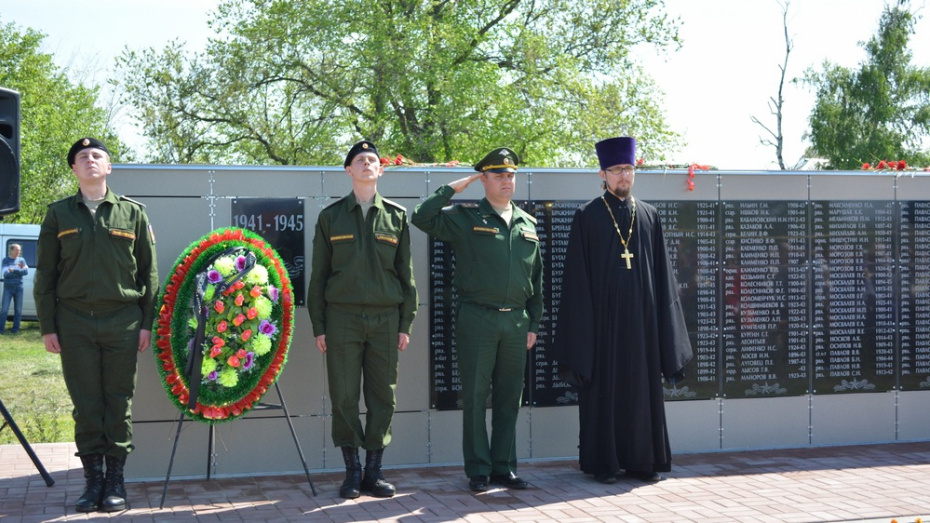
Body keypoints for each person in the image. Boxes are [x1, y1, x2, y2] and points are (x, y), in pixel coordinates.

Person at [553, 136, 692, 485]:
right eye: (616, 170)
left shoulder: (648, 215)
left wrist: (667, 331)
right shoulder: (587, 216)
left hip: (642, 325)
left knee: (641, 392)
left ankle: (643, 461)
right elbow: (576, 279)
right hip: (602, 326)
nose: (623, 176)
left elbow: (663, 276)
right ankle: (605, 464)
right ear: (602, 174)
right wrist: (582, 331)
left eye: (628, 169)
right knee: (605, 390)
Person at [34, 137, 159, 513]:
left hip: (123, 321)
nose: (90, 160)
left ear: (109, 167)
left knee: (117, 401)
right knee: (86, 404)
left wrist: (146, 324)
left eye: (97, 155)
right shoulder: (59, 214)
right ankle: (93, 483)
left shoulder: (133, 214)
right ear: (74, 169)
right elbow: (46, 276)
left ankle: (116, 482)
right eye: (82, 157)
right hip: (73, 323)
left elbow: (149, 273)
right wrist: (47, 326)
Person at [412, 147, 543, 492]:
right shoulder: (466, 217)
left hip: (516, 322)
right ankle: (479, 470)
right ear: (483, 179)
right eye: (498, 175)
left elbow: (538, 281)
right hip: (477, 318)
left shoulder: (527, 224)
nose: (506, 181)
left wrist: (534, 323)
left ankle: (504, 467)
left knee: (509, 397)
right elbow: (421, 218)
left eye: (511, 175)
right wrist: (451, 189)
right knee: (474, 396)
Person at [307, 140, 418, 499]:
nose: (367, 164)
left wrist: (406, 323)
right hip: (342, 319)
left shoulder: (397, 217)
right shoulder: (331, 217)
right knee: (343, 396)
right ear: (348, 171)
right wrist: (319, 327)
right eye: (360, 160)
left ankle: (374, 470)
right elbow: (318, 277)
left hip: (386, 319)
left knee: (383, 396)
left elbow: (406, 276)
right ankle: (351, 471)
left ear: (381, 170)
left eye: (373, 160)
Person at [0, 243, 28, 335]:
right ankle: (1, 330)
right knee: (4, 309)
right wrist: (19, 272)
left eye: (19, 250)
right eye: (16, 250)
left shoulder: (21, 260)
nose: (18, 252)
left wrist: (14, 270)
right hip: (8, 288)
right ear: (11, 250)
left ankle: (15, 329)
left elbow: (26, 272)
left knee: (18, 309)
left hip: (19, 288)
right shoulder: (6, 260)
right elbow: (5, 274)